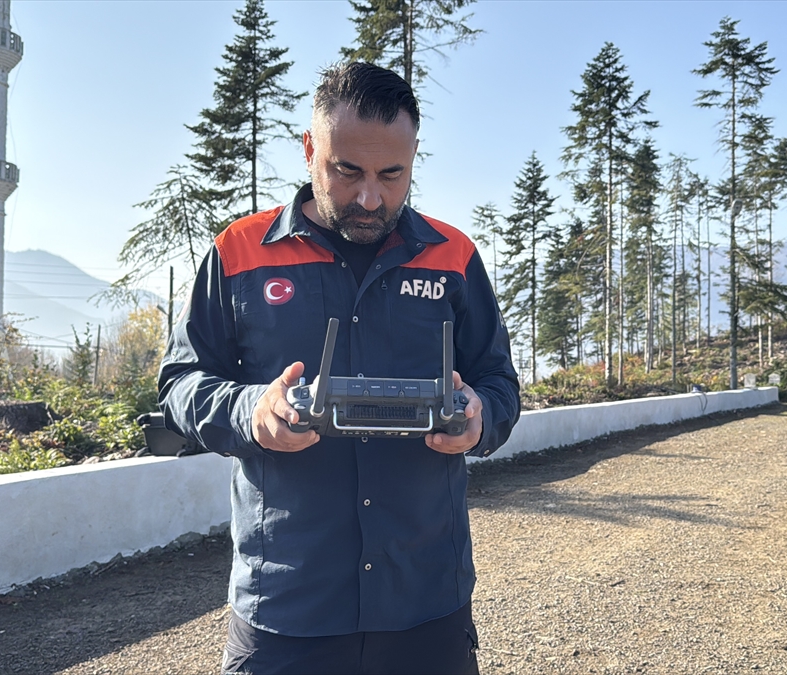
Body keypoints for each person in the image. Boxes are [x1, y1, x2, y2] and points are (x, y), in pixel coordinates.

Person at [158, 62, 520, 675]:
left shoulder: (453, 257)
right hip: (286, 602)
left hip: (425, 600)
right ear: (308, 149)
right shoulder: (237, 252)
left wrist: (481, 418)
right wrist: (253, 411)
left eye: (392, 174)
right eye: (346, 171)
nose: (370, 196)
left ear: (413, 160)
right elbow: (180, 383)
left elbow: (499, 383)